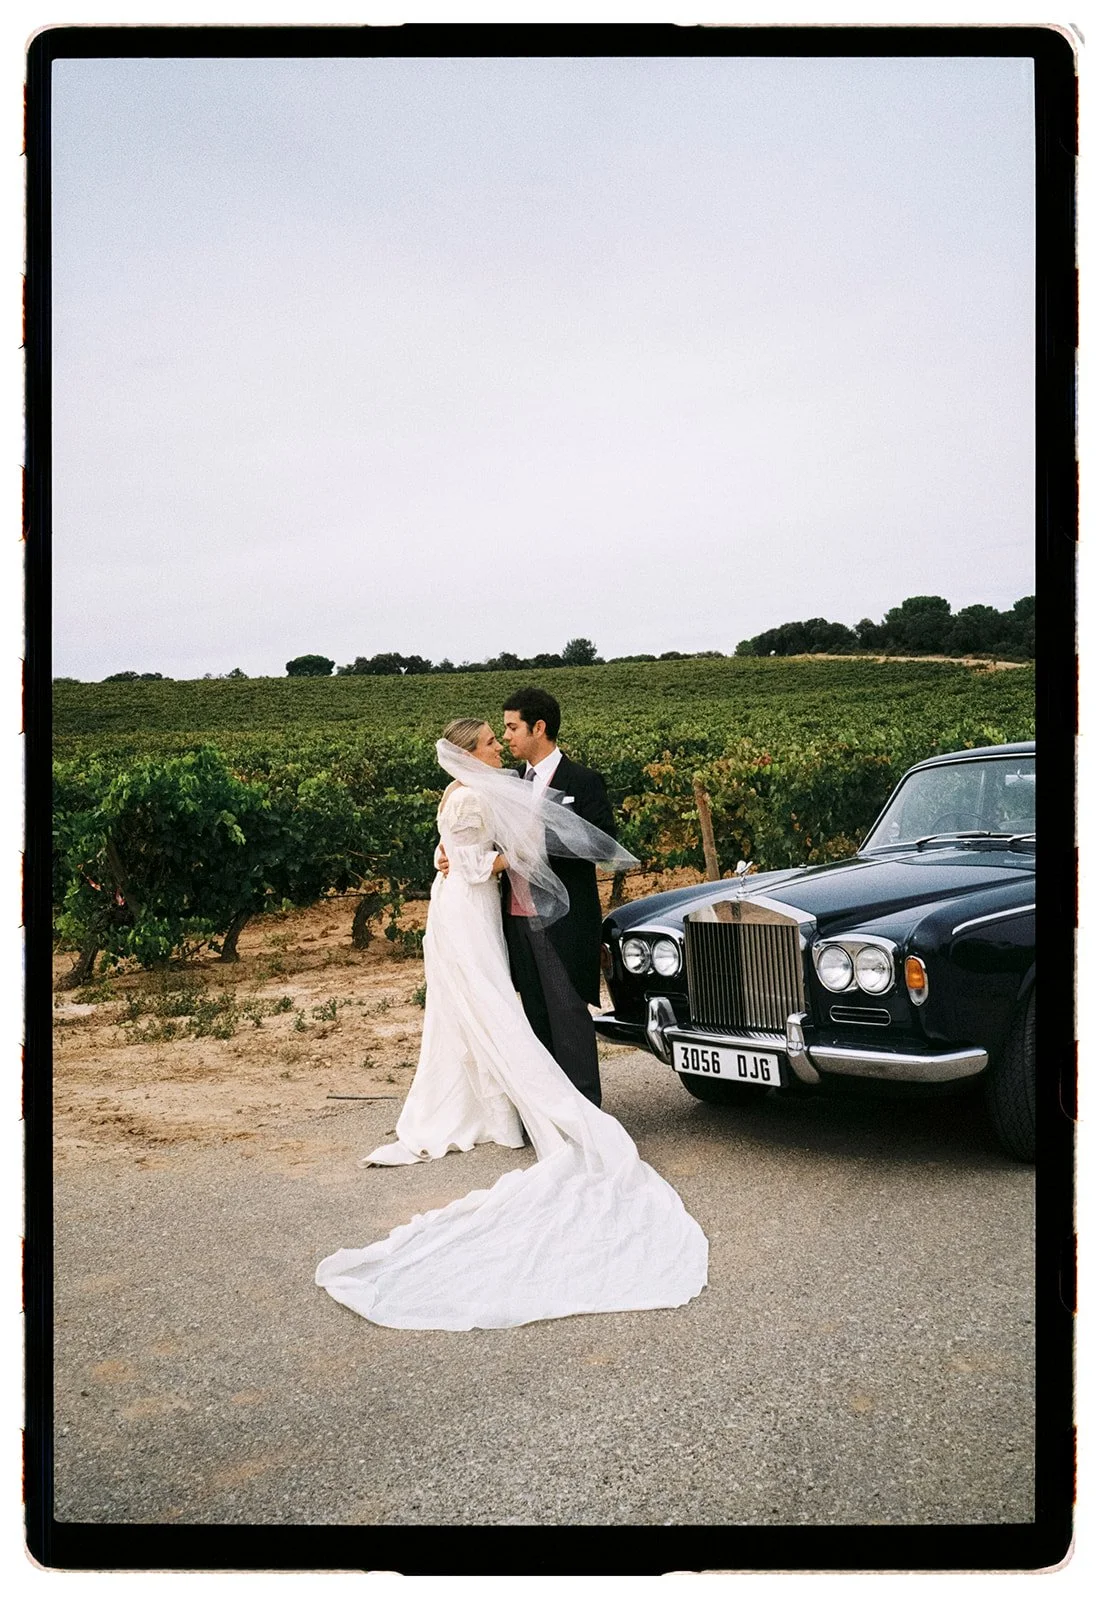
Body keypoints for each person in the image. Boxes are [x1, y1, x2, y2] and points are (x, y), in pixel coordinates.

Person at [314, 718, 708, 1331]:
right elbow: (468, 856)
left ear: (538, 728)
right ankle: (523, 1109)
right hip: (475, 909)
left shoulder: (490, 786)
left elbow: (466, 843)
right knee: (500, 1006)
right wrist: (487, 856)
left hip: (492, 911)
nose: (502, 744)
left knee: (503, 1008)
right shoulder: (475, 790)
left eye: (508, 733)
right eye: (494, 740)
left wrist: (458, 853)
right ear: (472, 752)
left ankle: (533, 1106)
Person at [439, 687, 613, 1107]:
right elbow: (474, 836)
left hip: (563, 919)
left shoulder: (583, 781)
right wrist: (453, 856)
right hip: (515, 919)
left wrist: (537, 840)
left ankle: (586, 1112)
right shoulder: (509, 783)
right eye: (502, 730)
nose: (507, 737)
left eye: (512, 727)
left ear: (540, 727)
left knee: (570, 1016)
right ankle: (549, 1111)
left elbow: (605, 846)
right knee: (534, 1019)